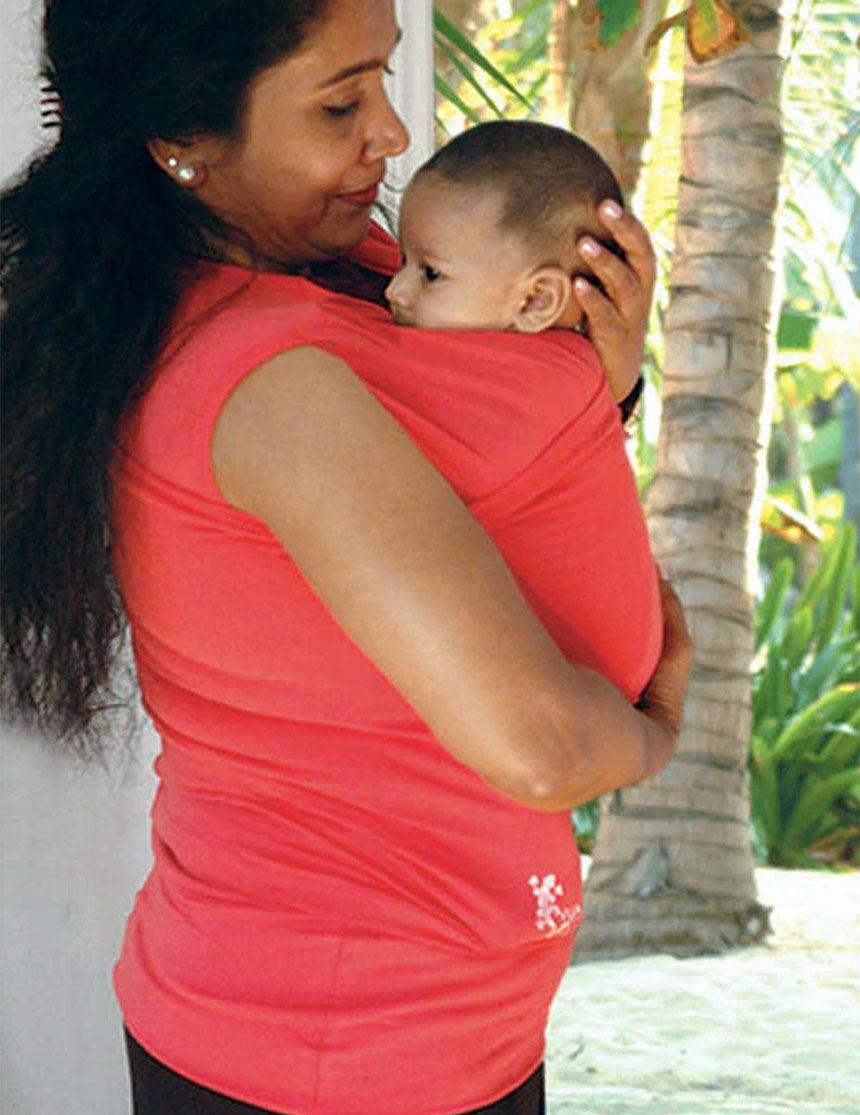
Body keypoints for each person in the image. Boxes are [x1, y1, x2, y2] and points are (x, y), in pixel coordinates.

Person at [0, 2, 693, 1114]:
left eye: (382, 79)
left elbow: (482, 476)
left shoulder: (357, 269)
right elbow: (538, 746)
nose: (390, 133)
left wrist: (596, 379)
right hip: (334, 1051)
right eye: (339, 103)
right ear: (187, 140)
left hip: (416, 1017)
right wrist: (657, 723)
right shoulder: (269, 383)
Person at [385, 119, 627, 337]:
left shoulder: (486, 379)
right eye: (402, 260)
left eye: (431, 274)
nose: (393, 291)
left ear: (535, 301)